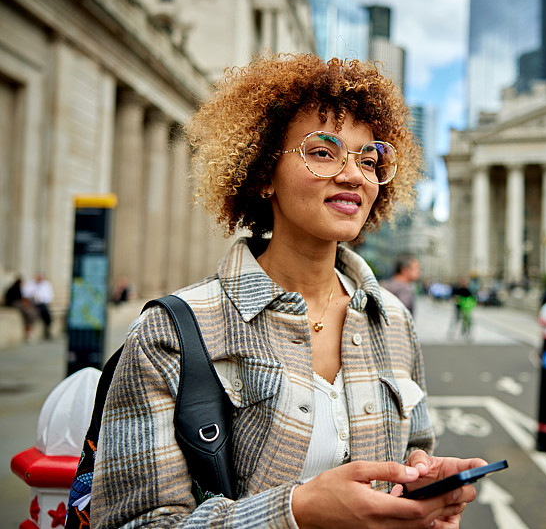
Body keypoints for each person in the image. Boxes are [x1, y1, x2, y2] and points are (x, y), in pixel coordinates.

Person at [90, 53, 485, 528]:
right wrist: (297, 512)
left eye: (368, 158)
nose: (353, 175)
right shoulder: (170, 333)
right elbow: (133, 521)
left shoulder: (393, 320)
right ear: (261, 172)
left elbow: (415, 452)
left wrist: (423, 495)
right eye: (323, 151)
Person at [22, 272, 53, 339]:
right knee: (31, 313)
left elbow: (49, 297)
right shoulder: (30, 284)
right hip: (32, 303)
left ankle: (47, 331)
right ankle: (30, 332)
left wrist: (41, 299)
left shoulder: (46, 285)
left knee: (47, 315)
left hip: (42, 303)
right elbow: (26, 294)